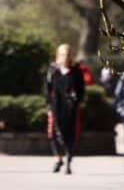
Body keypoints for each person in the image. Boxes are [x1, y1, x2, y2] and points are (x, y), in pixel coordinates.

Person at [45, 44, 85, 174]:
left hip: (70, 108)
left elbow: (81, 90)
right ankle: (58, 159)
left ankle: (68, 161)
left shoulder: (76, 71)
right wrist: (49, 104)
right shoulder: (53, 70)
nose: (65, 57)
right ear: (58, 56)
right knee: (53, 135)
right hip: (55, 106)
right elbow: (47, 88)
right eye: (62, 54)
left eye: (67, 54)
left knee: (70, 135)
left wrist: (76, 101)